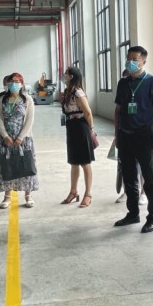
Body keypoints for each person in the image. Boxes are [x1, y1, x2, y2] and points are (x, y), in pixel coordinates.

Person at [113, 46, 153, 234]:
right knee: (128, 177)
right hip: (125, 136)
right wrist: (117, 135)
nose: (130, 62)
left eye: (134, 59)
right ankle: (132, 213)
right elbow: (118, 110)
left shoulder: (152, 82)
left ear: (143, 61)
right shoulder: (123, 83)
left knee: (149, 178)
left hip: (144, 136)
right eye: (128, 59)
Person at [0, 73, 39, 209]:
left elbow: (30, 120)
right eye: (11, 81)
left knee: (26, 165)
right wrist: (5, 136)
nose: (13, 84)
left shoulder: (27, 100)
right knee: (7, 166)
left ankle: (28, 195)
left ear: (21, 84)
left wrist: (21, 137)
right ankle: (7, 196)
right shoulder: (3, 99)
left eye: (16, 81)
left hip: (24, 139)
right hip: (6, 140)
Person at [60, 67, 96, 207]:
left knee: (85, 162)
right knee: (74, 162)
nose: (64, 76)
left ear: (72, 77)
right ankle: (73, 191)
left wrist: (91, 129)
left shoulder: (78, 93)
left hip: (81, 127)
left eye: (66, 74)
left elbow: (88, 112)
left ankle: (88, 194)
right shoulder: (67, 92)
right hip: (71, 127)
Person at [115, 68, 147, 206]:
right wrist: (117, 133)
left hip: (141, 134)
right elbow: (117, 111)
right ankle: (127, 191)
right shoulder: (123, 88)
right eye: (124, 77)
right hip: (125, 133)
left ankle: (143, 193)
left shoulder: (146, 86)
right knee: (125, 166)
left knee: (142, 167)